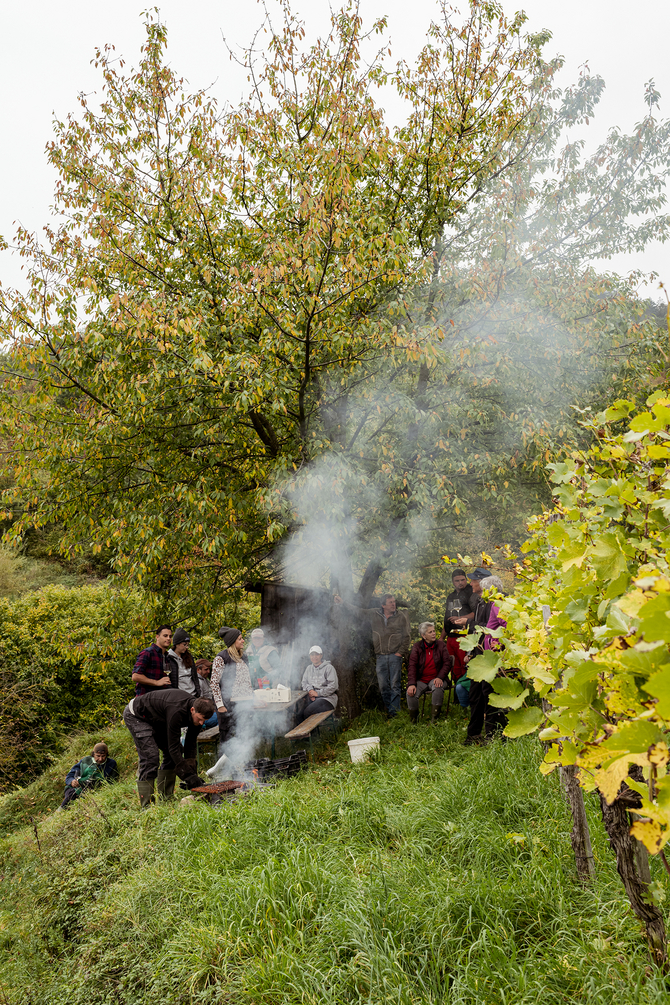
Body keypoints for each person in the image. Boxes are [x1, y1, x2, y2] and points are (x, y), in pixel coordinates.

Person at [122, 689, 215, 806]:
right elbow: (173, 747)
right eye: (200, 719)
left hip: (158, 719)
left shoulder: (198, 714)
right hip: (138, 715)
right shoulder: (177, 711)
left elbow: (190, 745)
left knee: (173, 755)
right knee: (151, 756)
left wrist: (192, 774)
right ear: (192, 710)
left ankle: (166, 798)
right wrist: (187, 776)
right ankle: (147, 805)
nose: (201, 723)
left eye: (204, 721)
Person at [333, 593, 410, 717]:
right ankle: (391, 709)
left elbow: (406, 637)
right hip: (380, 656)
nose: (393, 604)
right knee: (383, 686)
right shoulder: (374, 614)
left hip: (394, 656)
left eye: (394, 602)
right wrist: (343, 603)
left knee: (395, 685)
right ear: (383, 605)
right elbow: (358, 611)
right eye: (390, 602)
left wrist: (399, 653)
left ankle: (394, 713)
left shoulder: (400, 616)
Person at [464, 575, 508, 744]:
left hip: (494, 657)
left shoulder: (498, 604)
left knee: (491, 694)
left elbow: (506, 626)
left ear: (491, 590)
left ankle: (494, 736)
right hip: (484, 654)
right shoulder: (486, 603)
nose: (480, 594)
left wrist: (498, 645)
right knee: (481, 693)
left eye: (483, 591)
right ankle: (482, 735)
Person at [441, 568, 486, 690]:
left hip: (464, 635)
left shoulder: (472, 593)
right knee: (453, 666)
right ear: (452, 581)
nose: (460, 583)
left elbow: (476, 614)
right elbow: (447, 618)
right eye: (457, 580)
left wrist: (461, 618)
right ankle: (458, 694)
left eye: (463, 580)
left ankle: (466, 694)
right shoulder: (451, 596)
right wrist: (441, 637)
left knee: (465, 665)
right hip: (451, 636)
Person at [210, 627, 254, 744]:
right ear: (233, 642)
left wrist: (253, 699)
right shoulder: (221, 658)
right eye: (240, 639)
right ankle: (225, 761)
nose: (243, 641)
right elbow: (214, 683)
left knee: (244, 735)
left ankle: (244, 761)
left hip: (244, 703)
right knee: (227, 738)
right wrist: (219, 705)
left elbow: (247, 681)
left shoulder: (243, 657)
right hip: (228, 704)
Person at [406, 622, 454, 724]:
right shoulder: (417, 647)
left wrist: (440, 677)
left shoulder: (441, 645)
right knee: (410, 692)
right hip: (421, 680)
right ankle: (414, 721)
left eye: (434, 631)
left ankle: (434, 719)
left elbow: (447, 663)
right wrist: (411, 684)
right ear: (423, 636)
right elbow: (412, 666)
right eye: (430, 632)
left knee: (437, 686)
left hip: (437, 678)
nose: (433, 634)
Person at [58, 742, 118, 810]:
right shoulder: (85, 761)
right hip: (78, 787)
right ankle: (59, 812)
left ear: (106, 755)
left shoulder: (111, 764)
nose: (100, 759)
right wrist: (72, 781)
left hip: (94, 790)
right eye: (98, 756)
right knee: (71, 795)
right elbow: (70, 775)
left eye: (103, 756)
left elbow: (112, 781)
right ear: (93, 754)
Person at [298, 646, 339, 722]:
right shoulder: (309, 668)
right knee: (299, 715)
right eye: (312, 655)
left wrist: (317, 693)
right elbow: (304, 682)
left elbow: (333, 686)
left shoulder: (329, 668)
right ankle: (300, 734)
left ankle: (311, 733)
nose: (314, 657)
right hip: (313, 698)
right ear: (310, 656)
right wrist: (310, 691)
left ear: (321, 655)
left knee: (307, 712)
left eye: (316, 654)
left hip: (328, 699)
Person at [131, 625, 173, 697]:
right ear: (157, 637)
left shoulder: (167, 656)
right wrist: (156, 682)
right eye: (165, 636)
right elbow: (135, 676)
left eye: (170, 636)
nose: (168, 638)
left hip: (160, 699)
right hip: (145, 699)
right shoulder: (148, 652)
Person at [166, 627, 201, 697]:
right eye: (184, 644)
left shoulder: (189, 657)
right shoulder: (167, 658)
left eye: (188, 644)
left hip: (193, 695)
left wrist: (198, 692)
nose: (187, 647)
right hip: (179, 697)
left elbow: (194, 677)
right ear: (177, 644)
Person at [195, 658, 218, 728]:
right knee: (222, 717)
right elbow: (200, 703)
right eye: (206, 669)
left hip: (211, 711)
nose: (208, 671)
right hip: (204, 715)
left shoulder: (205, 679)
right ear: (198, 670)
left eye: (209, 669)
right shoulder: (198, 682)